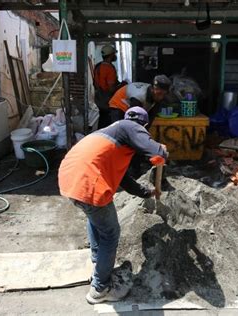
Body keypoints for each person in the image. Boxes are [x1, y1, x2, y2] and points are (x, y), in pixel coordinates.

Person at [58, 107, 168, 304]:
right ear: (143, 126)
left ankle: (97, 263)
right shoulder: (130, 126)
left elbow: (124, 179)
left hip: (70, 177)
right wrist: (161, 151)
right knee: (110, 233)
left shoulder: (112, 135)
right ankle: (100, 289)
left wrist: (145, 192)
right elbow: (154, 151)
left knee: (95, 219)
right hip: (87, 181)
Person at [93, 45, 120, 128]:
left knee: (101, 121)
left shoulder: (98, 66)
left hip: (98, 99)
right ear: (111, 55)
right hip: (107, 100)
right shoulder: (109, 69)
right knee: (108, 123)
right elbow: (111, 89)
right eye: (114, 54)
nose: (115, 56)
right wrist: (121, 86)